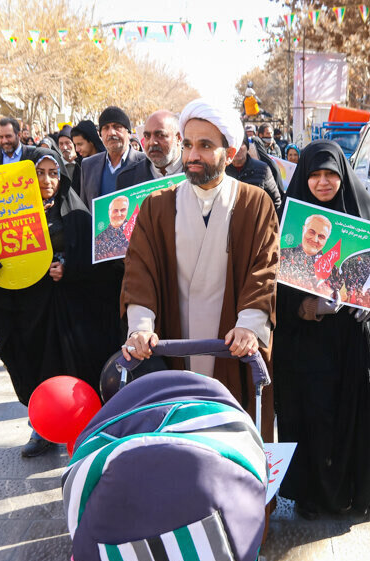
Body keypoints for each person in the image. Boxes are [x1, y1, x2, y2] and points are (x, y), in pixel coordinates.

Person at [120, 98, 279, 439]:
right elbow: (140, 273)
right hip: (174, 347)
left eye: (205, 146)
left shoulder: (254, 203)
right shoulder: (157, 206)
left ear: (230, 152)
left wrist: (249, 327)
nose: (193, 155)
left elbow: (263, 271)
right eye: (188, 144)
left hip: (232, 347)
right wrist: (140, 329)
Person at [275, 140, 370, 519]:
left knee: (358, 415)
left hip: (355, 344)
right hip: (307, 346)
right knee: (312, 418)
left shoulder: (368, 216)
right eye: (314, 174)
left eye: (331, 173)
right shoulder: (288, 225)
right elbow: (272, 289)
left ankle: (358, 492)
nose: (323, 182)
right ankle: (312, 495)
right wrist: (307, 306)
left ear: (343, 175)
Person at [0, 147, 124, 457]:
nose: (46, 180)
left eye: (53, 173)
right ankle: (43, 427)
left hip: (73, 311)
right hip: (31, 311)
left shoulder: (76, 213)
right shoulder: (6, 216)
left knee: (77, 370)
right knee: (38, 364)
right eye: (38, 173)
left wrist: (69, 268)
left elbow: (99, 261)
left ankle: (86, 426)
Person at [79, 106, 147, 210]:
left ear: (129, 133)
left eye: (117, 127)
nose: (111, 133)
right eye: (106, 128)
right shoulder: (88, 165)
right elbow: (84, 209)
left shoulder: (145, 163)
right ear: (100, 135)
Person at [117, 110, 183, 189]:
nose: (152, 142)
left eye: (160, 135)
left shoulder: (199, 172)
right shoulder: (127, 179)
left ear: (178, 138)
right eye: (147, 136)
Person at [278, 213, 335, 293]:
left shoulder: (332, 269)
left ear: (327, 240)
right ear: (303, 229)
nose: (315, 240)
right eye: (311, 232)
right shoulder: (280, 253)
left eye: (321, 236)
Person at [226, 138, 282, 214]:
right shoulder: (221, 171)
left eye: (241, 144)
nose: (237, 148)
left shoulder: (263, 169)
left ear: (247, 147)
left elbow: (275, 201)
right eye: (233, 144)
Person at [95, 195, 130, 261]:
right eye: (115, 210)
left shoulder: (137, 232)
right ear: (109, 213)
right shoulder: (98, 239)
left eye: (123, 210)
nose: (119, 214)